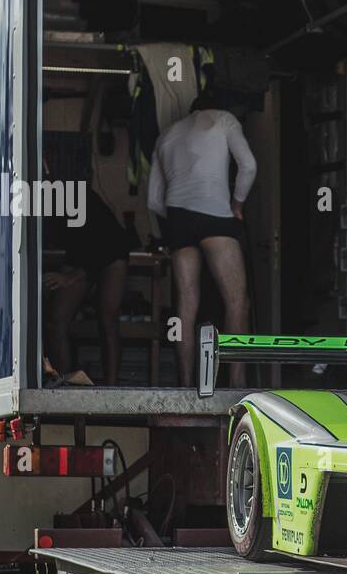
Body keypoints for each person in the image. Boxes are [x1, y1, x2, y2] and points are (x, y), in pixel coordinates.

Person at [148, 89, 257, 386]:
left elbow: (154, 201)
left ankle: (185, 383)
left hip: (177, 219)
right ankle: (237, 384)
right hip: (215, 215)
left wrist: (166, 231)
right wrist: (237, 203)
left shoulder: (167, 134)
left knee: (186, 304)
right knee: (236, 302)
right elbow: (248, 166)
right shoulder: (224, 120)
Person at [43, 184, 135, 385]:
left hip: (111, 252)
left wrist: (72, 277)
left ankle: (112, 389)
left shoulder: (79, 196)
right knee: (56, 319)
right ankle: (63, 382)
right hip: (78, 253)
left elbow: (105, 245)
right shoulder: (38, 200)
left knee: (108, 318)